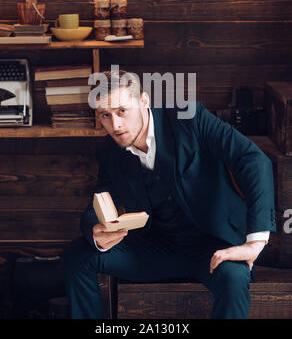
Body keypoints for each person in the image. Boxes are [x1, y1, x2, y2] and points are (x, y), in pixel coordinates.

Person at [62, 69, 276, 319]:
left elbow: (253, 160)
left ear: (143, 101)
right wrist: (95, 232)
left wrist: (255, 242)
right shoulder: (109, 151)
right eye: (105, 115)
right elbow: (98, 198)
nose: (115, 125)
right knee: (77, 256)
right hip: (157, 248)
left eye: (122, 111)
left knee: (234, 277)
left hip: (214, 245)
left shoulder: (190, 117)